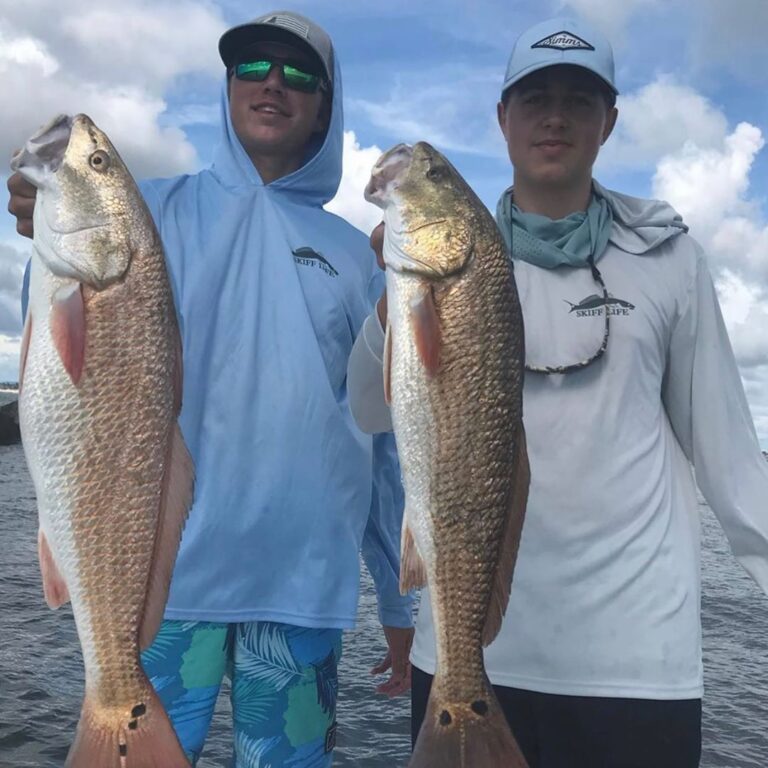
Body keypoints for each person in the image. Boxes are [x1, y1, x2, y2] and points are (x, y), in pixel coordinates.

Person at [346, 16, 768, 768]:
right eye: (534, 96)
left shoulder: (671, 258)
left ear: (609, 121)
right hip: (464, 654)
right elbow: (370, 410)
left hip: (638, 665)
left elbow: (732, 458)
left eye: (579, 99)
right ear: (502, 118)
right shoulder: (446, 263)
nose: (555, 115)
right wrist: (397, 303)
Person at [8, 10, 414, 768]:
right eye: (252, 66)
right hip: (159, 582)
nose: (272, 83)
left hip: (301, 586)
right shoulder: (149, 211)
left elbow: (385, 437)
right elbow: (71, 343)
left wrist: (398, 598)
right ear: (227, 87)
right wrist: (46, 201)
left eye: (298, 74)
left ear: (325, 105)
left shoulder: (356, 257)